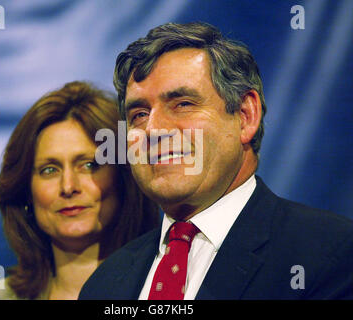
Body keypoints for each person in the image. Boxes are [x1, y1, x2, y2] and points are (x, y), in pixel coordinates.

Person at [78, 22, 353, 300]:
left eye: (183, 104)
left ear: (246, 116)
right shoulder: (104, 285)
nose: (153, 130)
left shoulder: (331, 255)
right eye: (138, 114)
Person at [0, 81, 159, 300]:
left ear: (126, 177)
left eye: (89, 165)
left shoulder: (175, 288)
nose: (68, 187)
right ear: (26, 192)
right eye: (49, 170)